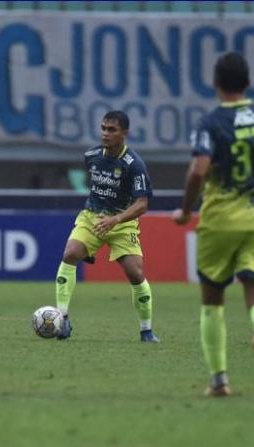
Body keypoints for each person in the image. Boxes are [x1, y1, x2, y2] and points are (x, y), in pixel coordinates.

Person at [172, 52, 254, 397]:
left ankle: (219, 381)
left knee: (212, 301)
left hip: (219, 222)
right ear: (248, 83)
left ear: (215, 83)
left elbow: (198, 170)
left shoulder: (211, 122)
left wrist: (185, 210)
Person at [55, 110, 159, 343]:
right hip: (92, 217)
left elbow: (142, 204)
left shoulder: (134, 165)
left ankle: (146, 331)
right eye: (103, 128)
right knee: (70, 253)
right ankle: (62, 319)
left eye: (111, 130)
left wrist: (115, 220)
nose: (105, 134)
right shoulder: (91, 156)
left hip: (121, 223)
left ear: (124, 133)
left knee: (136, 273)